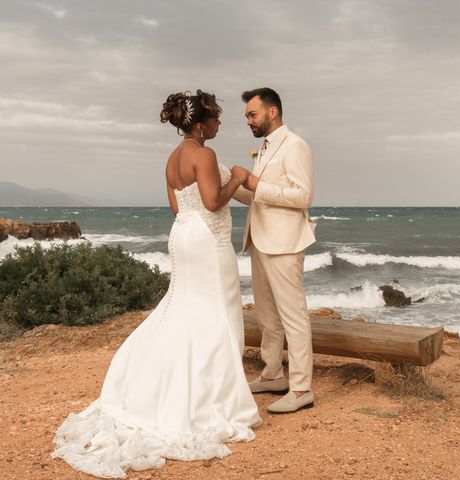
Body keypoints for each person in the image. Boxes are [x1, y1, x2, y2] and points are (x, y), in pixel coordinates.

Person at [52, 90, 262, 478]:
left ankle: (162, 387)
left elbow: (177, 207)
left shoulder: (171, 160)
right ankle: (212, 398)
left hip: (182, 233)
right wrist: (239, 178)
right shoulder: (205, 154)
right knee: (217, 310)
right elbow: (214, 202)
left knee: (183, 306)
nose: (219, 123)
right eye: (215, 118)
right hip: (207, 239)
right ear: (199, 125)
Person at [234, 87, 316, 414]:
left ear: (272, 112)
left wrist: (253, 183)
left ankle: (301, 388)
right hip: (260, 240)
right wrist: (228, 183)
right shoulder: (265, 149)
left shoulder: (295, 145)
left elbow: (302, 197)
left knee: (292, 316)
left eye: (252, 115)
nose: (248, 121)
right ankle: (272, 374)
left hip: (284, 244)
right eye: (246, 117)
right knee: (267, 316)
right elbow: (260, 198)